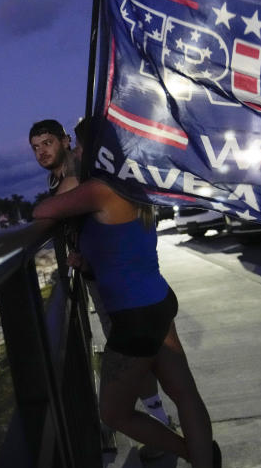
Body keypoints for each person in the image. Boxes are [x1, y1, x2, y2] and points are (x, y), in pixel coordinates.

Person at [32, 117, 225, 468]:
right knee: (185, 394)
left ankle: (195, 454)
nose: (78, 156)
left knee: (114, 413)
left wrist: (71, 194)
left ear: (98, 151)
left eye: (82, 149)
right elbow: (117, 248)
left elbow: (44, 209)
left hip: (135, 318)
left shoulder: (100, 189)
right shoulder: (133, 186)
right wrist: (87, 259)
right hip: (156, 300)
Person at [29, 119, 172, 429]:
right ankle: (173, 427)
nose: (41, 152)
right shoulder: (61, 181)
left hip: (117, 281)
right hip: (115, 278)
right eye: (36, 147)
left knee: (134, 355)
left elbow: (51, 211)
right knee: (159, 361)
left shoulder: (80, 176)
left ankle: (158, 421)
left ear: (67, 142)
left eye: (48, 143)